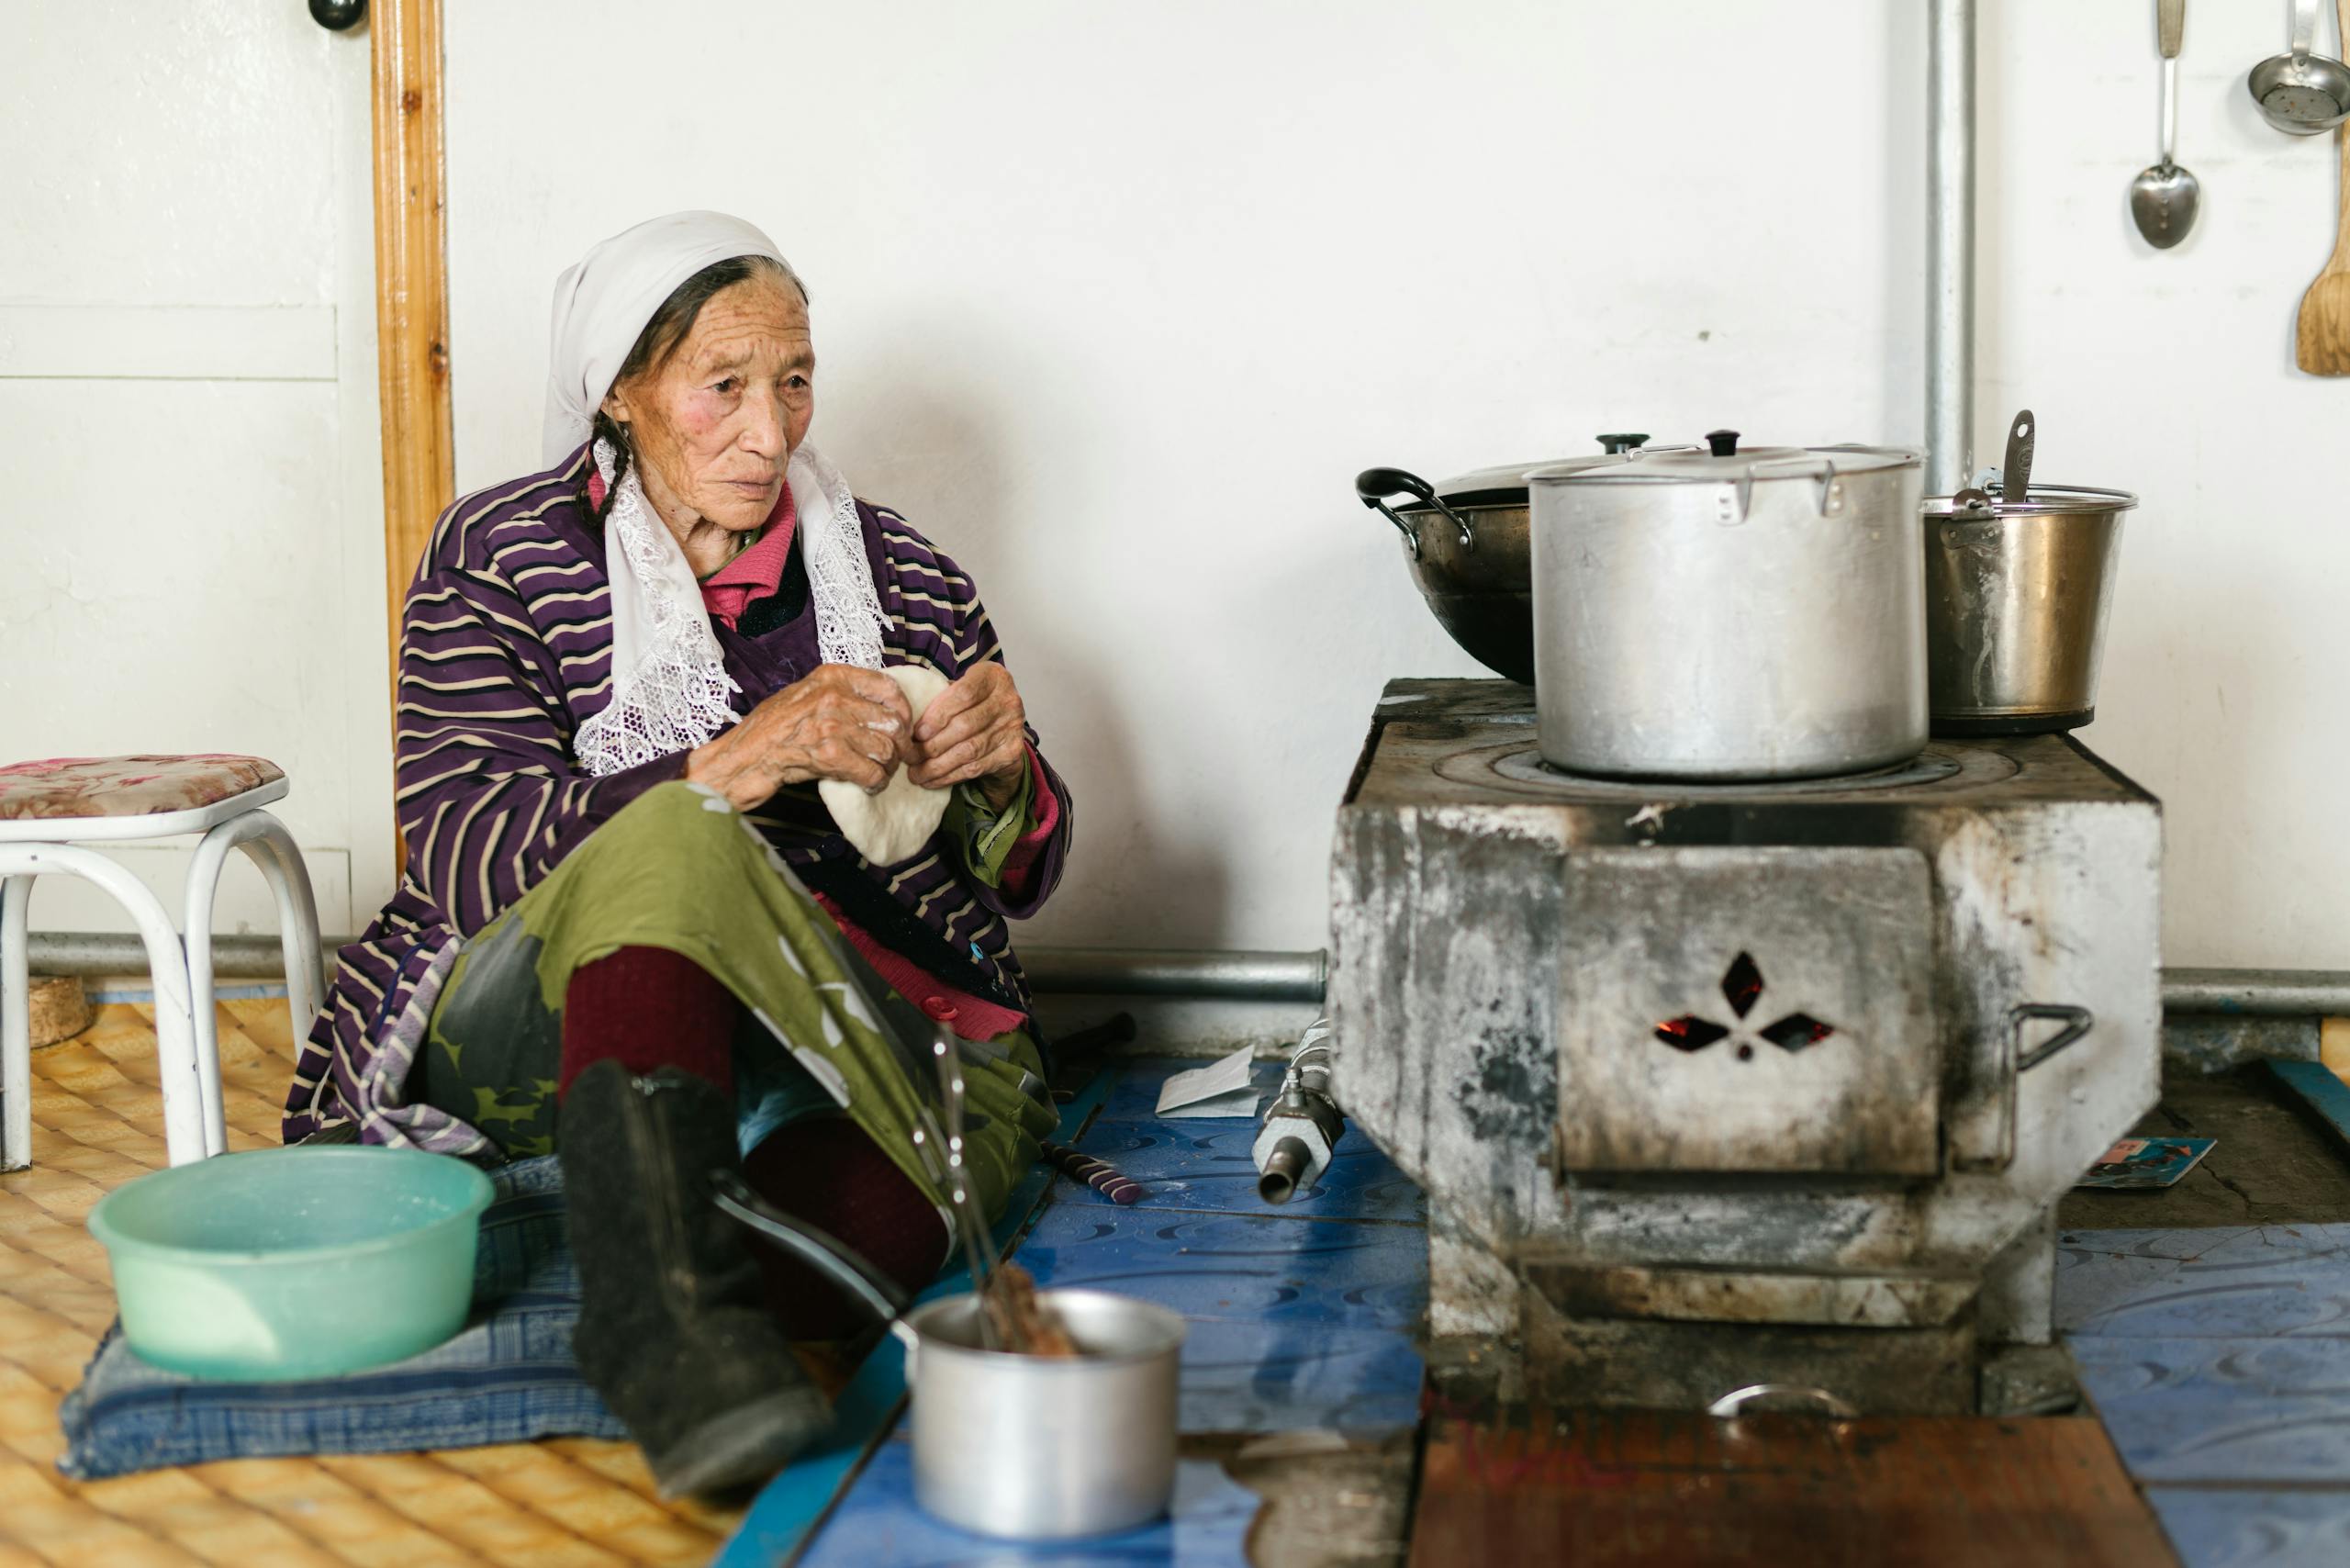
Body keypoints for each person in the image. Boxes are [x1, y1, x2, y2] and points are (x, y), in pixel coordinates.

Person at [281, 211, 1073, 1495]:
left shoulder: (903, 572)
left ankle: (629, 1252)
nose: (773, 432)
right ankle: (669, 1335)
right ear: (621, 397)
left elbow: (1031, 878)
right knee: (681, 834)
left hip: (841, 1014)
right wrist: (731, 763)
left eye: (796, 380)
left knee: (923, 1201)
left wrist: (1011, 772)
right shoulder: (500, 557)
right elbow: (466, 854)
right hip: (542, 1007)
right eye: (724, 387)